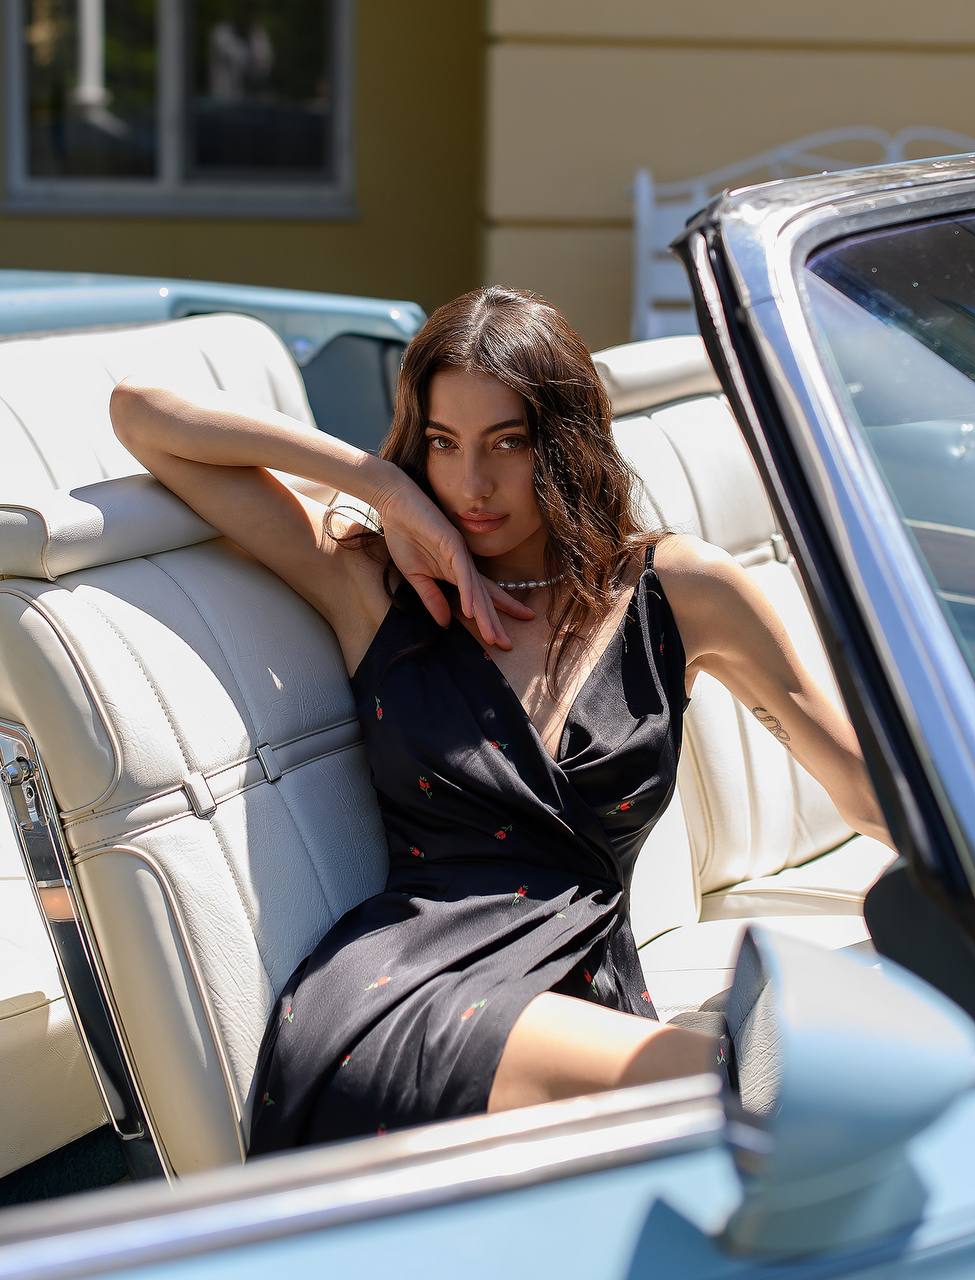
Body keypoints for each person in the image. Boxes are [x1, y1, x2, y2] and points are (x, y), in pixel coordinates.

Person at [109, 285, 893, 1154]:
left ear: (566, 445)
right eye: (442, 444)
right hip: (406, 997)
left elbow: (865, 790)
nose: (471, 484)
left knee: (783, 1106)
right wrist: (385, 492)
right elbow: (143, 413)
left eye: (508, 444)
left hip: (585, 989)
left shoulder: (679, 590)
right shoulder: (372, 585)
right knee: (767, 1097)